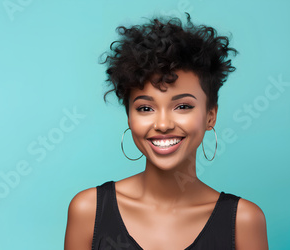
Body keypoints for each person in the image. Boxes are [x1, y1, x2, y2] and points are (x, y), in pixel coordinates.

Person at [64, 13, 268, 250]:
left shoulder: (243, 221)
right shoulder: (89, 211)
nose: (162, 124)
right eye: (145, 108)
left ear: (211, 115)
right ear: (130, 117)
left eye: (183, 106)